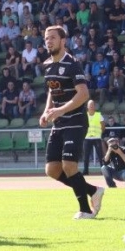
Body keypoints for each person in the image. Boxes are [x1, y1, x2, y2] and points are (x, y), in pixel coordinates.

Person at [40, 26, 104, 220]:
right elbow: (52, 90)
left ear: (63, 41)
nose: (48, 41)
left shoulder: (72, 64)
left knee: (69, 165)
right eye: (46, 38)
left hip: (75, 121)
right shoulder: (47, 65)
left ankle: (85, 210)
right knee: (52, 170)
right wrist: (47, 111)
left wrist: (60, 110)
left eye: (52, 38)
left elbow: (83, 94)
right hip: (59, 123)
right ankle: (93, 190)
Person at [82, 99, 105, 176]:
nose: (91, 106)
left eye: (92, 105)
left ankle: (103, 170)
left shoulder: (99, 115)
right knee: (86, 156)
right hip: (87, 138)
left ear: (94, 106)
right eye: (90, 105)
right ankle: (85, 171)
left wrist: (99, 133)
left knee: (100, 155)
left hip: (97, 138)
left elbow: (103, 126)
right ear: (87, 107)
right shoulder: (85, 115)